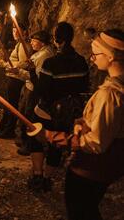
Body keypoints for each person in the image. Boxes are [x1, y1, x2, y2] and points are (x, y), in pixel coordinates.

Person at [37, 29, 124, 219]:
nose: (92, 59)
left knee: (82, 211)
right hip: (107, 167)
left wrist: (52, 136)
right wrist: (83, 121)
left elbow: (96, 142)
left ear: (110, 57)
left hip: (91, 170)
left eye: (96, 53)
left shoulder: (111, 94)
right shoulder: (118, 86)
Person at [28, 22, 90, 191]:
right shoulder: (81, 62)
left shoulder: (51, 63)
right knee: (57, 145)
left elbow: (42, 90)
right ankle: (47, 179)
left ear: (57, 40)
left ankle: (38, 175)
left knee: (36, 139)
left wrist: (32, 72)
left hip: (47, 111)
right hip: (68, 112)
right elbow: (84, 87)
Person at [14, 30, 55, 155]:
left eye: (34, 40)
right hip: (28, 87)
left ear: (41, 42)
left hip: (33, 91)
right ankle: (23, 140)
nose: (31, 42)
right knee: (24, 113)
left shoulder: (44, 55)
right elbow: (29, 65)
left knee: (29, 116)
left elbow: (36, 76)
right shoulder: (39, 53)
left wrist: (19, 72)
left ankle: (29, 145)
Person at [0, 24, 30, 138]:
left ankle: (9, 130)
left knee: (11, 105)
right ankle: (3, 127)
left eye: (17, 30)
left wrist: (4, 64)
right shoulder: (18, 44)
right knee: (7, 105)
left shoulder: (23, 46)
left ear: (24, 32)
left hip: (16, 79)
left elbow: (23, 64)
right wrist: (3, 63)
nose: (15, 33)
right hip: (12, 77)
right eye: (13, 31)